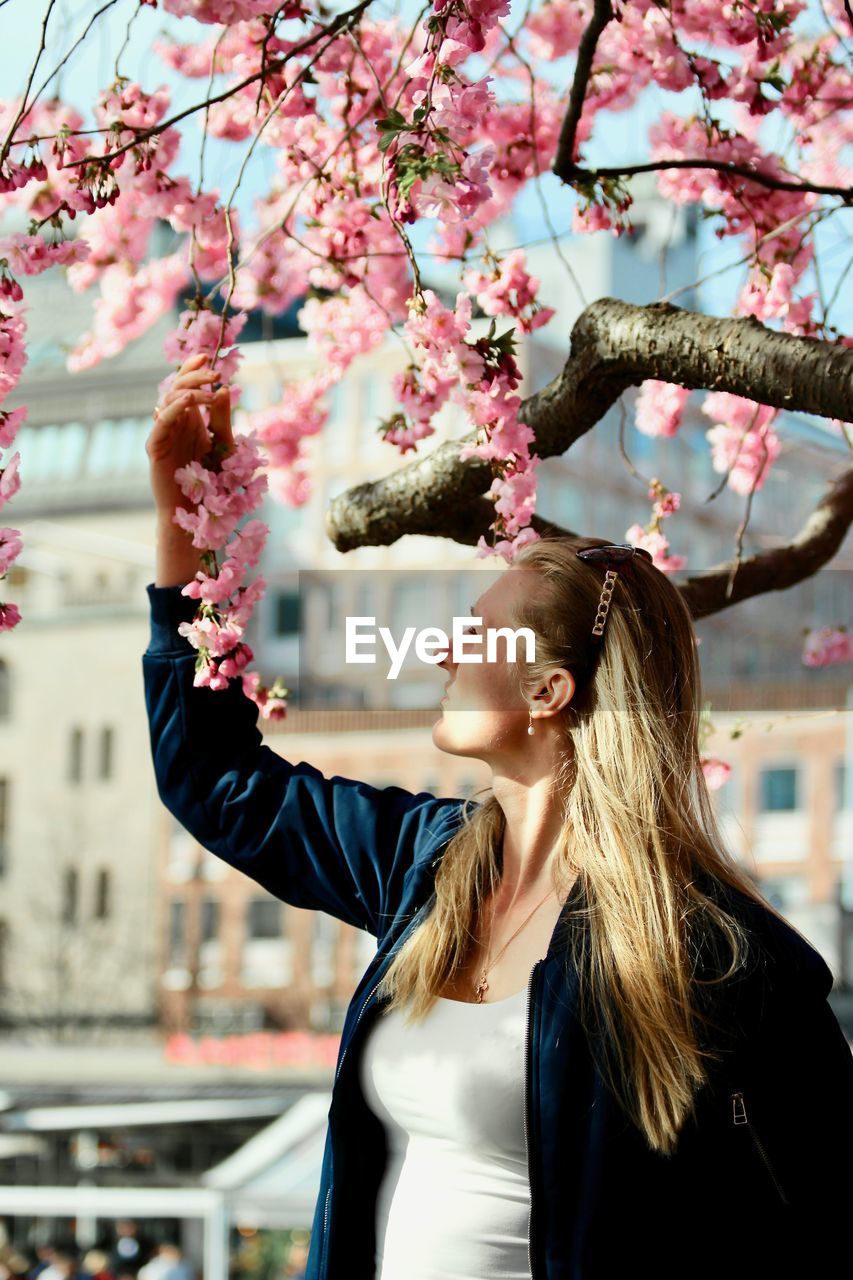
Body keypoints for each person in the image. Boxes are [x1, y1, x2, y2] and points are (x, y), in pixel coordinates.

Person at [143, 356, 853, 1279]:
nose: (441, 649)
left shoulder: (720, 961)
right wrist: (185, 523)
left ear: (550, 690)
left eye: (476, 634)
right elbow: (213, 776)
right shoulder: (423, 866)